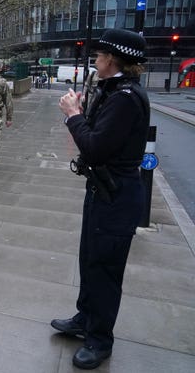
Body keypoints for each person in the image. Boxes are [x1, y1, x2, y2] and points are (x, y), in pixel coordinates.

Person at [53, 29, 150, 370]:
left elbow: (94, 147)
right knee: (89, 258)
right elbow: (97, 136)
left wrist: (73, 116)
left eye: (99, 55)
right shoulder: (113, 90)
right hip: (102, 191)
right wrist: (81, 112)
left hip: (116, 196)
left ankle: (100, 340)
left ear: (112, 59)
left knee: (106, 268)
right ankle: (85, 319)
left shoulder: (125, 98)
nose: (95, 59)